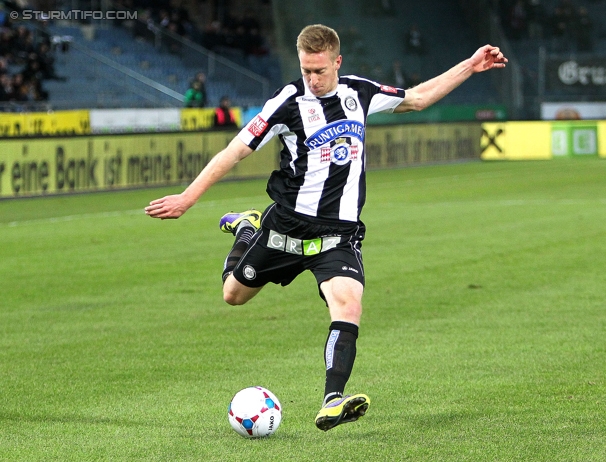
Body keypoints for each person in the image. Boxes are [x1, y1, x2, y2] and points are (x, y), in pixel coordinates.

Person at [145, 24, 507, 431]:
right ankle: (248, 229)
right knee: (233, 296)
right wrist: (188, 198)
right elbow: (235, 151)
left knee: (349, 305)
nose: (312, 80)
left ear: (337, 62)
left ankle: (332, 399)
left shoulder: (359, 93)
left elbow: (418, 98)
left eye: (319, 70)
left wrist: (470, 66)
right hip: (286, 229)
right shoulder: (287, 102)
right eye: (305, 71)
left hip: (338, 236)